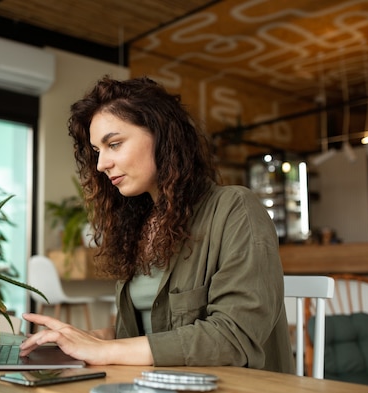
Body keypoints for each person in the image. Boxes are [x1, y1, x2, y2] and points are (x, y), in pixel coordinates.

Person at [20, 76, 295, 373]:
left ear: (161, 135)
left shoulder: (235, 209)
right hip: (160, 386)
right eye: (98, 151)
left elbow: (233, 336)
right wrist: (92, 338)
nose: (101, 165)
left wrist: (107, 349)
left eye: (114, 144)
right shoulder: (139, 223)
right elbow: (155, 334)